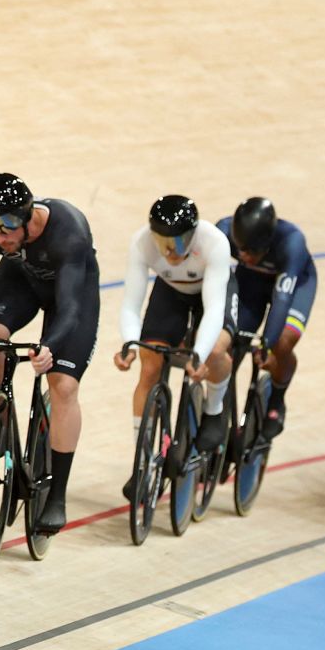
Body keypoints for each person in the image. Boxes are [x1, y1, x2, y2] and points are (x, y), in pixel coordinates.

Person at [0, 173, 100, 534]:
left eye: (7, 228)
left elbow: (70, 308)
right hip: (22, 280)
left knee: (63, 386)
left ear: (27, 216)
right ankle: (2, 410)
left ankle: (57, 495)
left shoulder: (68, 231)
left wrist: (50, 345)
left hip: (71, 293)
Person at [114, 195, 237, 498]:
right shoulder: (142, 242)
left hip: (211, 293)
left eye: (178, 243)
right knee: (150, 365)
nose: (169, 251)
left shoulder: (215, 243)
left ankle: (215, 410)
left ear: (192, 234)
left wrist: (199, 354)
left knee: (217, 350)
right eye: (162, 242)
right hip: (171, 294)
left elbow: (213, 310)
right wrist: (130, 342)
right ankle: (142, 465)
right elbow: (131, 304)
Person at [215, 197, 316, 438]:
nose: (245, 256)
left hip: (295, 286)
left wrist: (266, 343)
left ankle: (277, 401)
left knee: (282, 342)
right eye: (241, 250)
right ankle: (218, 410)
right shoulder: (223, 231)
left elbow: (281, 299)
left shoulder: (292, 242)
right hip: (251, 283)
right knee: (231, 343)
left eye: (253, 251)